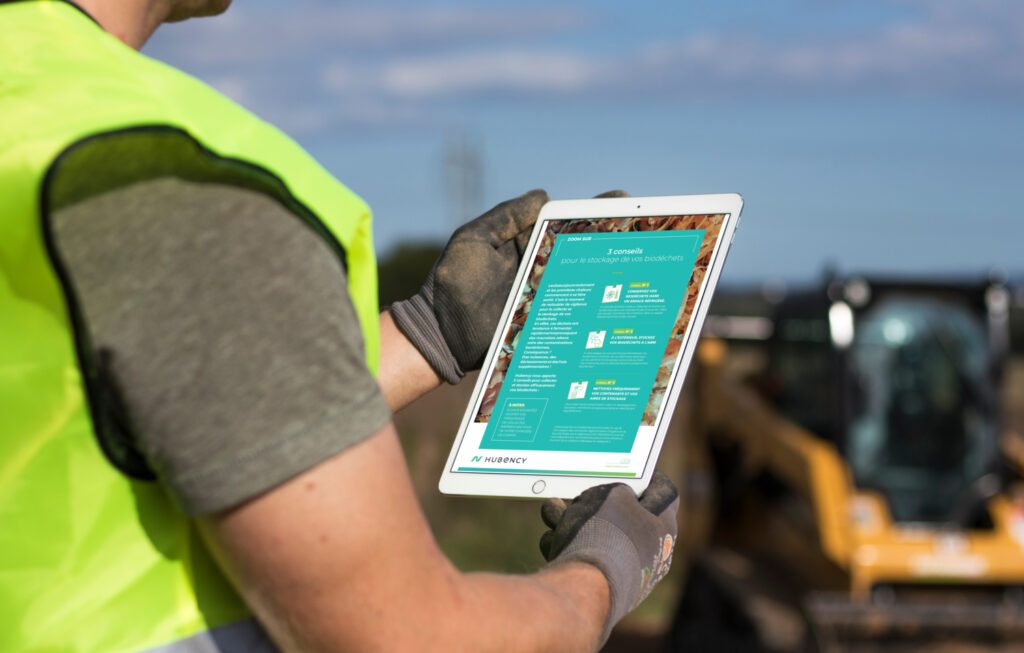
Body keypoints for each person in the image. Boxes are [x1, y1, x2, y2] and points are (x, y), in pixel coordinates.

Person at [0, 0, 680, 651]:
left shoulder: (28, 116)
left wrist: (427, 333)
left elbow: (101, 416)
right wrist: (609, 569)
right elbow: (416, 637)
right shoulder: (173, 178)